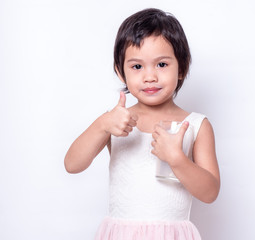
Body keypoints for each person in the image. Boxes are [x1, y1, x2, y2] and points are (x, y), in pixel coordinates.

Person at [64, 8, 220, 240]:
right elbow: (72, 164)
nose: (150, 77)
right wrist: (101, 125)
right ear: (120, 71)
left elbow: (209, 193)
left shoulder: (196, 125)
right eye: (137, 67)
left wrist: (177, 159)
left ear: (182, 67)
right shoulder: (116, 121)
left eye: (162, 65)